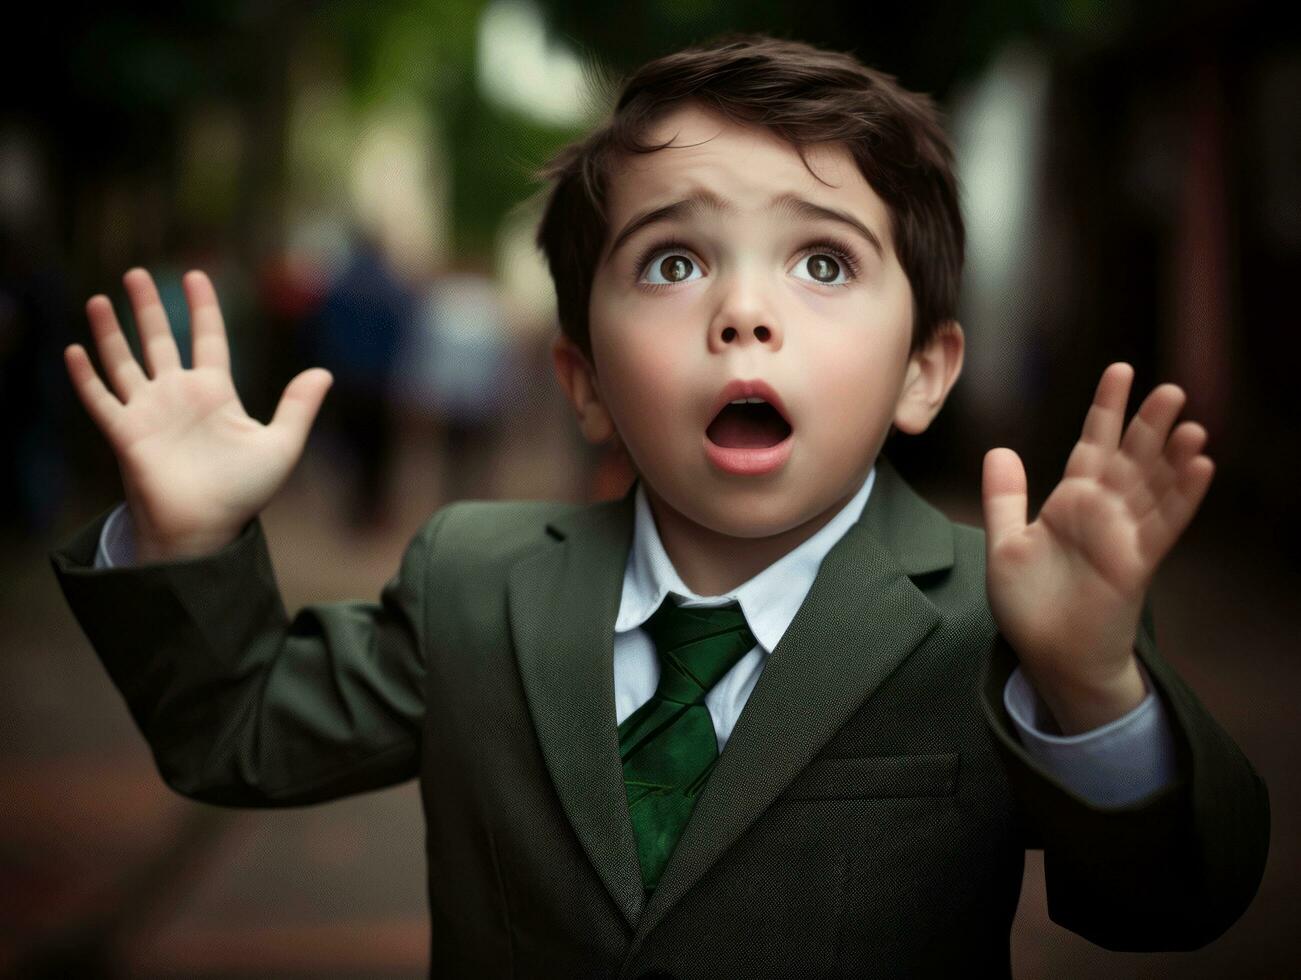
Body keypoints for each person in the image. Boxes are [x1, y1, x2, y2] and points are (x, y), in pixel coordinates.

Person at [50, 34, 1268, 977]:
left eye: (822, 261)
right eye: (673, 262)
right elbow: (238, 732)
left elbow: (1172, 902)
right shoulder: (475, 579)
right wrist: (184, 537)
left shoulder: (1009, 619)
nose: (741, 312)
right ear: (582, 378)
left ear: (921, 372)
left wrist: (1092, 687)